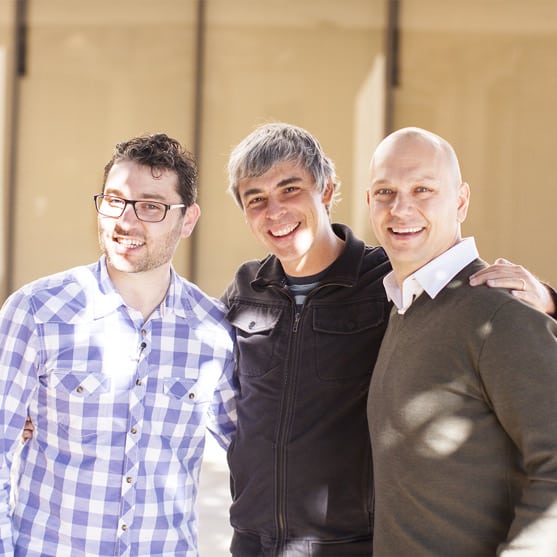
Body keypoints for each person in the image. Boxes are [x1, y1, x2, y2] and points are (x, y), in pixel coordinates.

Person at [222, 122, 556, 556]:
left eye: (290, 190)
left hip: (348, 545)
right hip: (254, 543)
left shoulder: (401, 284)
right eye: (256, 200)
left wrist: (547, 298)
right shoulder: (250, 291)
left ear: (327, 191)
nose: (275, 211)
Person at [0, 133, 237, 556]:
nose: (125, 222)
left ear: (187, 219)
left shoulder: (214, 331)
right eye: (114, 201)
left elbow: (258, 454)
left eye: (151, 206)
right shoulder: (36, 313)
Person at [366, 126, 557, 555]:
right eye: (384, 192)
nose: (401, 208)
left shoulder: (501, 314)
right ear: (368, 202)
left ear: (461, 201)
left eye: (422, 189)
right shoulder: (402, 306)